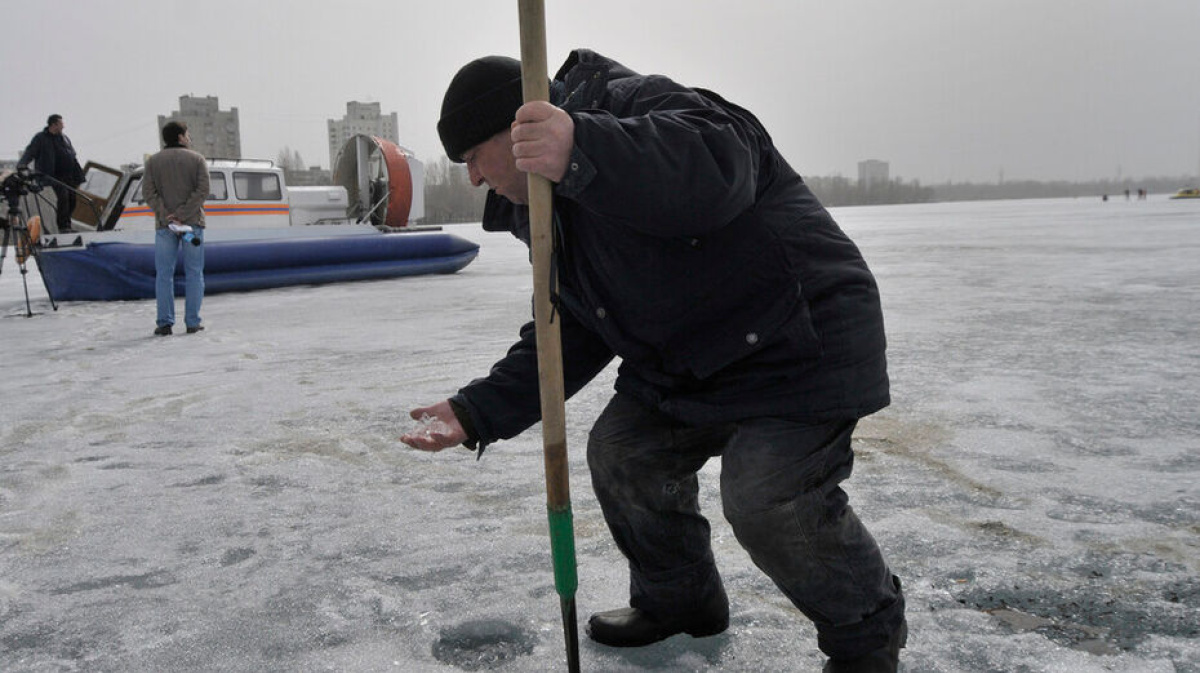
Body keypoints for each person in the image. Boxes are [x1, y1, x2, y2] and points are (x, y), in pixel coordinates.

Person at [401, 50, 907, 672]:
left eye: (473, 157)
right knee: (624, 452)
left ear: (516, 130)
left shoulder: (632, 106)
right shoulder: (546, 212)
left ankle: (866, 637)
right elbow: (576, 327)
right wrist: (476, 410)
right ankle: (681, 604)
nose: (473, 178)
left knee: (766, 496)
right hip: (692, 356)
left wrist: (584, 148)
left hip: (799, 339)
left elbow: (723, 164)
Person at [142, 121, 209, 336]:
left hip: (165, 227)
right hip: (191, 228)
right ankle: (192, 321)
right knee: (194, 272)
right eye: (187, 135)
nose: (189, 138)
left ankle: (164, 322)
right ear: (180, 137)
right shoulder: (197, 159)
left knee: (164, 274)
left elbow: (149, 193)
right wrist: (182, 215)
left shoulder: (153, 162)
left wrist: (168, 215)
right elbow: (203, 191)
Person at [17, 114, 85, 234]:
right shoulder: (41, 138)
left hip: (69, 175)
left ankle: (67, 224)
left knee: (72, 199)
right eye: (61, 124)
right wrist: (22, 165)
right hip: (54, 175)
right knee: (63, 196)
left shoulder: (64, 138)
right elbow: (30, 151)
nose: (63, 126)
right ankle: (63, 227)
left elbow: (72, 156)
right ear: (53, 125)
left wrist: (79, 176)